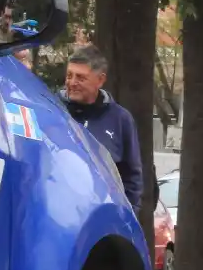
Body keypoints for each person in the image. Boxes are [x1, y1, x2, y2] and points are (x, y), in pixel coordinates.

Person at [60, 46, 143, 208]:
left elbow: (132, 178)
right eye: (69, 75)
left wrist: (125, 218)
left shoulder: (120, 120)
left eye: (80, 78)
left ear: (100, 80)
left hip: (101, 220)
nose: (72, 83)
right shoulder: (51, 108)